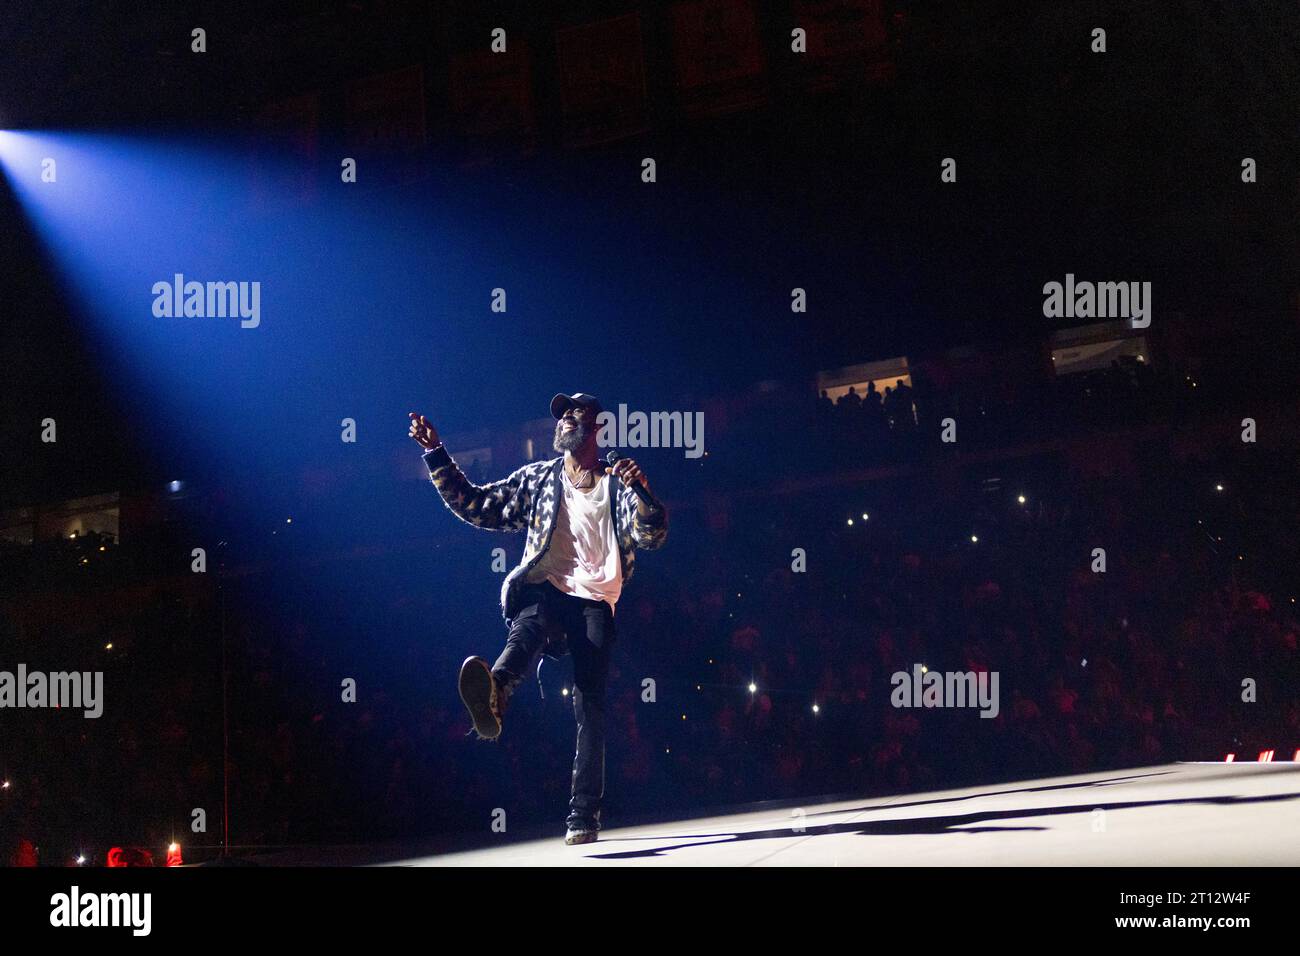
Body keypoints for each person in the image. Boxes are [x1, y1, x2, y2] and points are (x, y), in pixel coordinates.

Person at [407, 393, 668, 845]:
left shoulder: (616, 483)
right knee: (529, 622)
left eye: (575, 412)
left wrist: (644, 492)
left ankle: (583, 815)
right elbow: (477, 504)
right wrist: (436, 454)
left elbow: (652, 536)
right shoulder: (540, 480)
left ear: (596, 427)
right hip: (547, 587)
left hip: (595, 600)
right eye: (562, 414)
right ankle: (498, 692)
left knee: (591, 706)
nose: (565, 418)